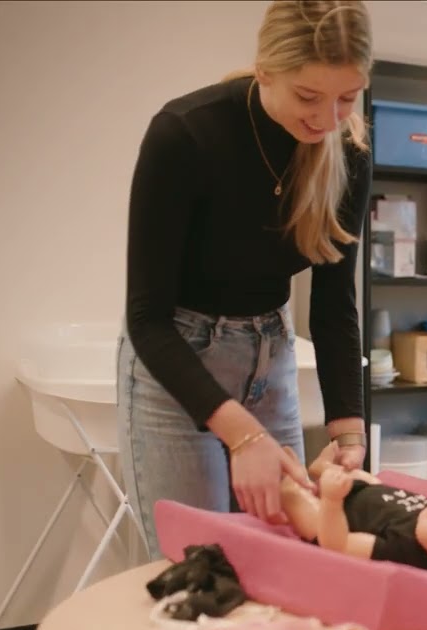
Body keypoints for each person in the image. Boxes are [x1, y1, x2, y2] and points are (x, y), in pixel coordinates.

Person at [117, 0, 373, 558]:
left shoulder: (348, 153)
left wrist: (348, 435)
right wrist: (244, 435)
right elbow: (147, 318)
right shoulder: (185, 135)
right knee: (200, 564)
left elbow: (333, 305)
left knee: (281, 556)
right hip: (177, 360)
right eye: (309, 96)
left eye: (347, 97)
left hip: (270, 356)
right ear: (265, 70)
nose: (329, 118)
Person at [282, 430, 427, 573]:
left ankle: (290, 484)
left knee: (303, 509)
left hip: (335, 515)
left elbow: (338, 545)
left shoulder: (402, 548)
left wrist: (332, 501)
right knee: (366, 478)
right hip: (368, 492)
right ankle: (322, 468)